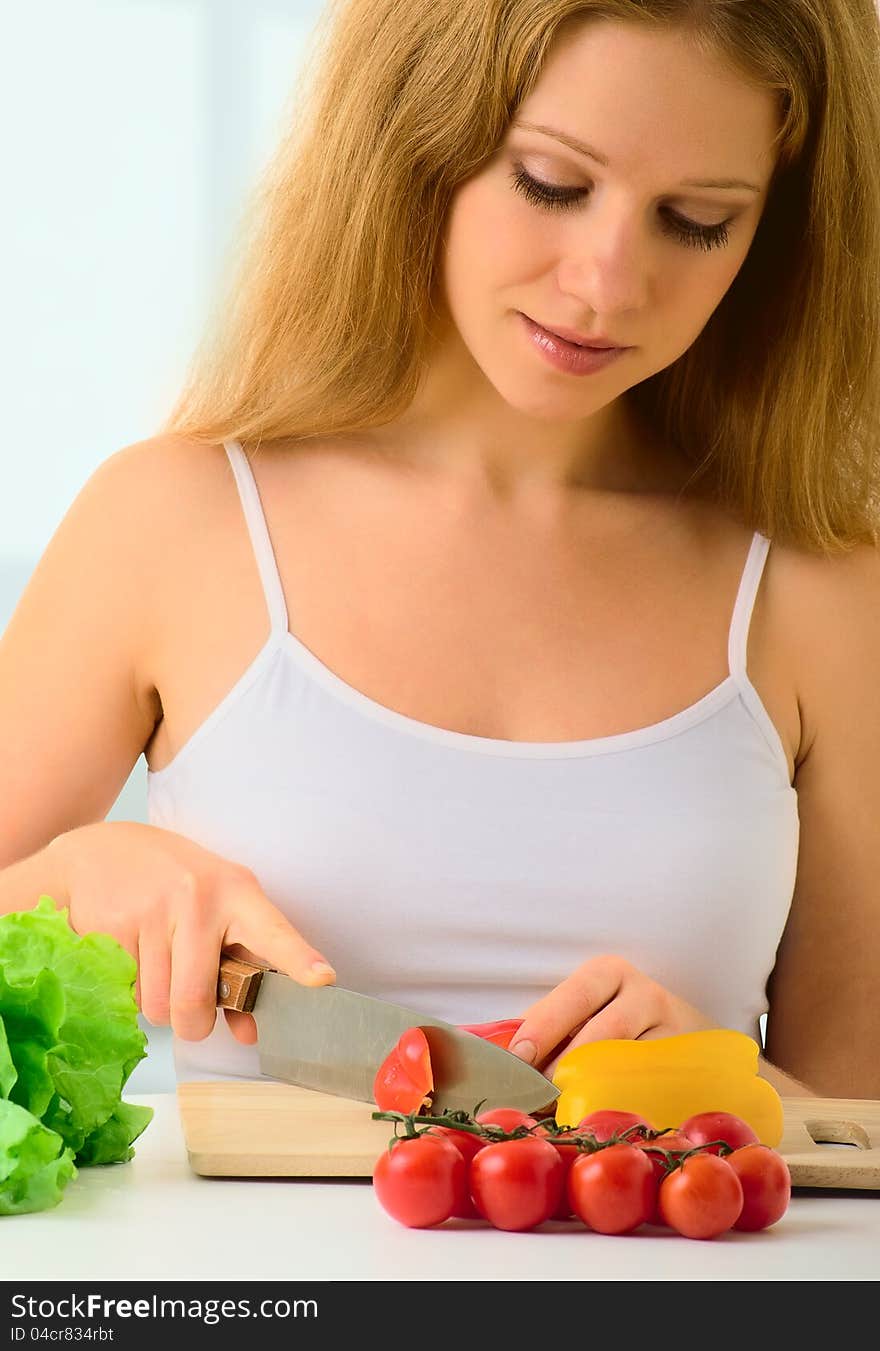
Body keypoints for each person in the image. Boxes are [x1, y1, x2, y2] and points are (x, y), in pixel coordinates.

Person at [2, 0, 879, 1100]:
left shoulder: (821, 593)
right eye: (551, 184)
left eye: (697, 219)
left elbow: (861, 1140)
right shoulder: (171, 521)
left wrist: (726, 1084)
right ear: (419, 139)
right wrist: (68, 876)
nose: (606, 282)